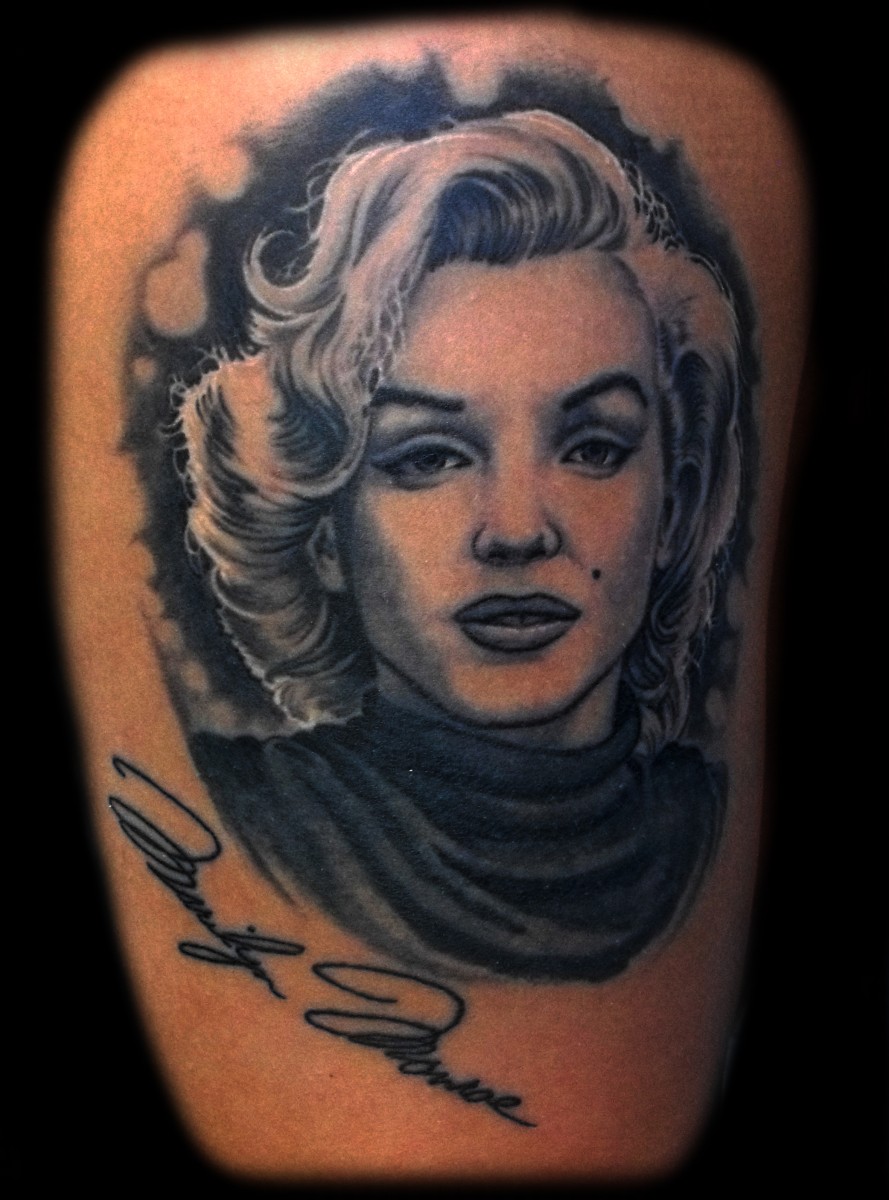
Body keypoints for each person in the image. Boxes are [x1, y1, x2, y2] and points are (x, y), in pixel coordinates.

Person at [175, 102, 752, 983]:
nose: (516, 531)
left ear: (672, 507)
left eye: (593, 448)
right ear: (324, 534)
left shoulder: (714, 827)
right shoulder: (228, 827)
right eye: (428, 457)